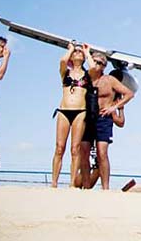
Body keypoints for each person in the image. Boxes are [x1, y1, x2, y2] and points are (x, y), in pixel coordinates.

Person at [80, 51, 133, 190]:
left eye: (99, 63)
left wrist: (114, 107)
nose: (96, 65)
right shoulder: (86, 79)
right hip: (87, 117)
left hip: (104, 118)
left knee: (101, 152)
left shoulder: (109, 80)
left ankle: (105, 188)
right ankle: (85, 187)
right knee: (83, 151)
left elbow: (129, 93)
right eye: (94, 61)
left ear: (104, 66)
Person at [52, 42, 97, 187]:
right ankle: (54, 182)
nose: (77, 54)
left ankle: (72, 183)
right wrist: (70, 49)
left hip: (80, 111)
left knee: (75, 148)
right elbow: (62, 61)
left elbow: (94, 68)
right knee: (59, 147)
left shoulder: (87, 75)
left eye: (80, 53)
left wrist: (87, 51)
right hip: (64, 110)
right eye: (75, 53)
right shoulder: (65, 72)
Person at [74, 105, 125, 189]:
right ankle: (86, 187)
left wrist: (119, 109)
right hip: (88, 120)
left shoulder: (110, 101)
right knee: (85, 159)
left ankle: (104, 188)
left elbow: (120, 122)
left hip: (103, 123)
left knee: (100, 160)